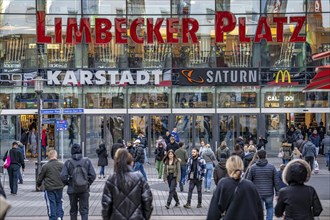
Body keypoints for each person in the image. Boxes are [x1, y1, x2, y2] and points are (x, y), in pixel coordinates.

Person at [101, 148, 153, 220]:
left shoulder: (111, 179)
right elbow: (147, 200)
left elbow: (106, 204)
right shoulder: (139, 178)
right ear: (131, 162)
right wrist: (145, 217)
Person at [206, 156, 263, 220]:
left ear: (228, 167)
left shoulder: (223, 184)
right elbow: (259, 211)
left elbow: (213, 213)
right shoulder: (250, 185)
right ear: (242, 167)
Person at [60, 143, 96, 220]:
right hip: (84, 189)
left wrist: (69, 183)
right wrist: (87, 183)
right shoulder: (87, 161)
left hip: (72, 189)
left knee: (73, 210)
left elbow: (63, 176)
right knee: (84, 210)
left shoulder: (68, 162)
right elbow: (93, 175)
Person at [247, 150, 280, 220]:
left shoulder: (253, 167)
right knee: (270, 207)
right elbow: (276, 181)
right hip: (269, 193)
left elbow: (248, 181)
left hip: (257, 193)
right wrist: (278, 192)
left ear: (257, 156)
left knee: (259, 209)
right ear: (266, 156)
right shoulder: (272, 167)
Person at [36, 150, 64, 220]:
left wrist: (38, 185)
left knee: (51, 203)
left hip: (49, 188)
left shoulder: (46, 166)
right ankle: (60, 217)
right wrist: (64, 184)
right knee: (59, 202)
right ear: (56, 156)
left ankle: (53, 217)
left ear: (49, 156)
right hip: (59, 187)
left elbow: (40, 177)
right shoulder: (61, 165)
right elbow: (65, 176)